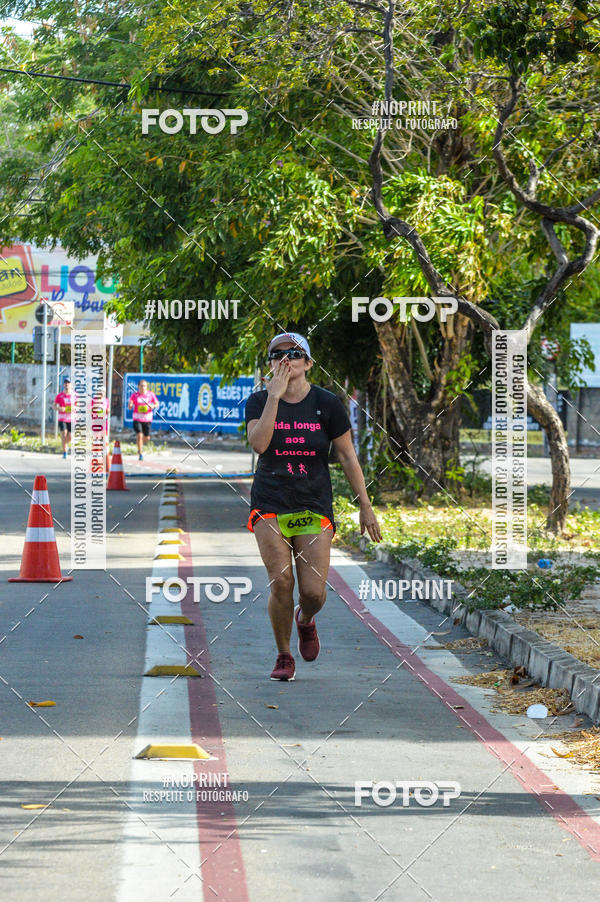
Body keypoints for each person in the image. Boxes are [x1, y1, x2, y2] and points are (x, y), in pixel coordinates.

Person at [245, 332, 382, 681]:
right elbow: (259, 445)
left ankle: (305, 619)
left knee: (312, 592)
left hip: (312, 502)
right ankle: (284, 655)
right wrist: (274, 398)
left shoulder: (328, 404)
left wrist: (365, 505)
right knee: (282, 582)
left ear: (308, 363)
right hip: (270, 501)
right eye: (277, 355)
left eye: (293, 354)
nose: (284, 360)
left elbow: (348, 457)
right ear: (270, 365)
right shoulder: (259, 401)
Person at [128, 379, 159, 460]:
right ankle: (140, 453)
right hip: (137, 418)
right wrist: (130, 405)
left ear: (146, 387)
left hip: (147, 418)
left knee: (147, 437)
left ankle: (139, 445)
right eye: (141, 386)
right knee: (139, 435)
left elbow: (157, 403)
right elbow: (130, 403)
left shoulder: (150, 395)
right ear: (138, 387)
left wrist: (153, 406)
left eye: (144, 386)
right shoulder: (135, 395)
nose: (143, 387)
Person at [54, 377, 73, 458]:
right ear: (63, 385)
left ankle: (65, 444)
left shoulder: (74, 395)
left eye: (68, 383)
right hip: (62, 418)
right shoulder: (59, 395)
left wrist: (67, 409)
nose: (67, 384)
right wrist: (59, 408)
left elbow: (78, 407)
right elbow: (54, 406)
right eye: (65, 383)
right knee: (64, 434)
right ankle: (65, 452)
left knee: (70, 436)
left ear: (71, 384)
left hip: (71, 418)